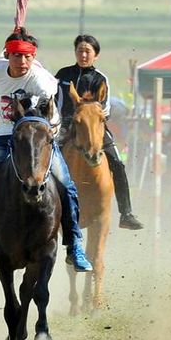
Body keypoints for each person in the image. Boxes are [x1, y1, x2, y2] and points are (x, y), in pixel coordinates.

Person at [0, 28, 92, 276]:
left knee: (66, 185)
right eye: (15, 56)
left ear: (33, 58)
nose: (21, 62)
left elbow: (44, 118)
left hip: (39, 138)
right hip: (4, 136)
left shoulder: (42, 83)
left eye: (27, 57)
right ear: (7, 56)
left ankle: (74, 245)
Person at [55, 34, 143, 230]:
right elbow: (56, 103)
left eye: (88, 51)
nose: (83, 55)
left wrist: (91, 119)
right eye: (80, 51)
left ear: (96, 55)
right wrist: (63, 123)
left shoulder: (100, 79)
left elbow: (105, 108)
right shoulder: (62, 75)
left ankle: (126, 213)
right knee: (44, 158)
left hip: (94, 126)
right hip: (65, 126)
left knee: (117, 163)